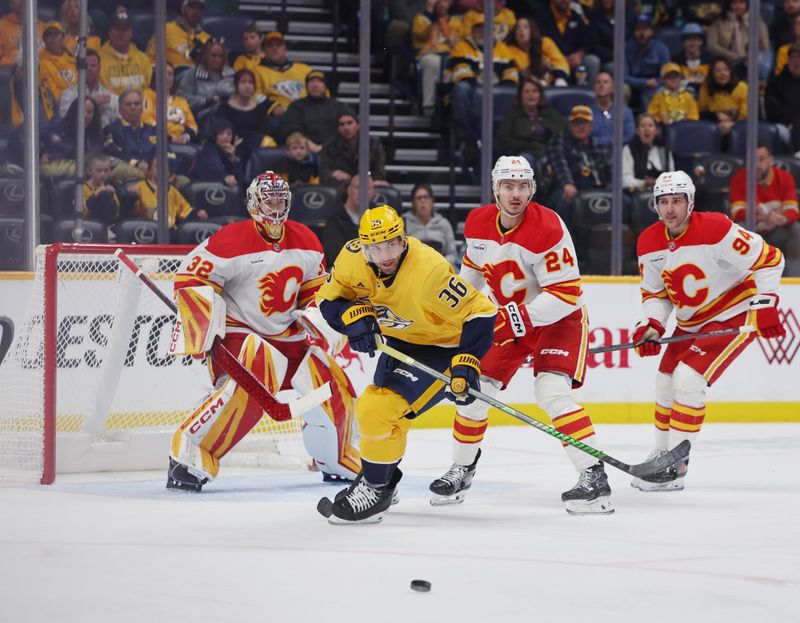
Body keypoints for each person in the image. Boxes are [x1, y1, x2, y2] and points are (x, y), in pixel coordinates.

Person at [431, 155, 613, 515]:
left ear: (532, 188)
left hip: (558, 319)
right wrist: (451, 315)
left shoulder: (549, 227)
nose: (516, 194)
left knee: (551, 392)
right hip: (510, 318)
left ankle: (594, 475)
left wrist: (517, 318)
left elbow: (566, 294)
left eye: (522, 186)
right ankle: (462, 468)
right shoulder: (477, 221)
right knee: (474, 391)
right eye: (508, 186)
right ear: (494, 189)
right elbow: (472, 273)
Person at [167, 171, 361, 491]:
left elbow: (313, 293)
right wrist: (200, 320)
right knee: (260, 368)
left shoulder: (307, 240)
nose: (275, 206)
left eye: (280, 199)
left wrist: (318, 316)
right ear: (253, 203)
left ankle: (335, 456)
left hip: (289, 340)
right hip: (240, 338)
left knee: (330, 380)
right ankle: (190, 452)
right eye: (269, 199)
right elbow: (190, 278)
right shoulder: (230, 239)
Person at [314, 204, 496, 523]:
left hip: (442, 348)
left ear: (403, 239)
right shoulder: (351, 258)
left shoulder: (428, 271)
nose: (385, 255)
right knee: (380, 412)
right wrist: (350, 317)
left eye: (391, 244)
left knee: (377, 408)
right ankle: (382, 480)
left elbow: (481, 311)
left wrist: (466, 361)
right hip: (403, 341)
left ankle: (376, 488)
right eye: (375, 247)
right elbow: (328, 300)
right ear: (363, 246)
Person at [631, 170, 785, 491]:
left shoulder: (716, 228)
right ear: (655, 205)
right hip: (690, 324)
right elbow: (656, 294)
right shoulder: (648, 241)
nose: (670, 209)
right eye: (663, 202)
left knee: (688, 380)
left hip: (731, 314)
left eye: (677, 200)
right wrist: (651, 324)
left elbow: (770, 260)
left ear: (691, 202)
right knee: (664, 383)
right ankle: (661, 454)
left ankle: (676, 465)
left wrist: (766, 303)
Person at [448, 14, 518, 162]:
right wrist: (481, 86)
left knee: (511, 93)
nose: (481, 32)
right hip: (472, 93)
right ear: (472, 30)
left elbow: (512, 74)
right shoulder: (462, 46)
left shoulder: (502, 49)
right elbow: (460, 71)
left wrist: (500, 88)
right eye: (478, 28)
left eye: (485, 28)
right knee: (462, 88)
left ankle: (506, 140)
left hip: (496, 94)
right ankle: (465, 137)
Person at [729, 144, 800, 276]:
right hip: (752, 232)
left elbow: (793, 211)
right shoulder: (739, 178)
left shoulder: (784, 177)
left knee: (796, 230)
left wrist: (782, 218)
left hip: (778, 231)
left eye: (761, 159)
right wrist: (758, 216)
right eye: (752, 160)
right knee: (736, 231)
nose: (756, 165)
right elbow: (736, 212)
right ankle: (740, 280)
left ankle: (794, 280)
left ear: (770, 160)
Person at [546, 105, 611, 229]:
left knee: (624, 200)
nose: (581, 126)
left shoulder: (597, 145)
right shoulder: (561, 140)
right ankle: (566, 243)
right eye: (576, 123)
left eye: (585, 123)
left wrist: (610, 189)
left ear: (591, 126)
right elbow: (559, 162)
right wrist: (567, 183)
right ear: (570, 126)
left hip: (597, 189)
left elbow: (610, 170)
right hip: (569, 188)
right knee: (565, 199)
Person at [496, 74, 567, 168]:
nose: (531, 95)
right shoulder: (512, 115)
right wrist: (528, 146)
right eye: (527, 91)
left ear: (540, 94)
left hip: (550, 155)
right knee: (524, 160)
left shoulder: (551, 113)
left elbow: (563, 134)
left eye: (534, 91)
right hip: (524, 155)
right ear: (520, 95)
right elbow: (503, 139)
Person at [213, 68, 278, 167]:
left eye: (251, 83)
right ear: (236, 86)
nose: (247, 86)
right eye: (243, 82)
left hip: (255, 147)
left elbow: (264, 131)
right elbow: (220, 130)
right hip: (231, 146)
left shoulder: (260, 108)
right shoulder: (224, 108)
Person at [132, 154, 205, 238]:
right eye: (157, 166)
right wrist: (130, 197)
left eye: (164, 167)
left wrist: (199, 215)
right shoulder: (140, 187)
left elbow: (186, 212)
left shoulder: (172, 190)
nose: (161, 169)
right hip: (147, 232)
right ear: (150, 169)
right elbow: (132, 212)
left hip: (170, 233)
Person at [279, 70, 351, 153]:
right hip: (306, 152)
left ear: (326, 86)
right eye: (311, 81)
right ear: (306, 86)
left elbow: (349, 127)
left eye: (319, 81)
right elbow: (291, 130)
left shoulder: (339, 106)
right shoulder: (296, 106)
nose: (315, 85)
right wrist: (312, 146)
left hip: (336, 151)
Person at [411, 0, 459, 116]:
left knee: (453, 66)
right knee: (433, 63)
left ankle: (447, 105)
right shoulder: (421, 19)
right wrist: (433, 19)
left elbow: (457, 43)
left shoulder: (455, 22)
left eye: (446, 1)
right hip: (426, 55)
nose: (442, 4)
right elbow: (420, 35)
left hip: (448, 55)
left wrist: (445, 26)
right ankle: (429, 106)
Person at [319, 111, 388, 190]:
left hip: (367, 186)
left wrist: (359, 181)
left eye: (349, 123)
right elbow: (324, 172)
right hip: (341, 189)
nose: (346, 127)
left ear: (358, 125)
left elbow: (379, 173)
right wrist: (333, 173)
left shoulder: (373, 144)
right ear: (337, 129)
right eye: (341, 124)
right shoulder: (330, 146)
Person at [321, 173, 377, 266]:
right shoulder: (334, 218)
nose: (362, 192)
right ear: (348, 189)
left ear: (373, 193)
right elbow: (333, 254)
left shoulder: (379, 217)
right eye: (358, 188)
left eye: (367, 189)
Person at [705, 0, 769, 81]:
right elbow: (711, 45)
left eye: (741, 3)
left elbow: (764, 44)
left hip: (751, 62)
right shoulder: (718, 22)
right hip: (727, 62)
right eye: (734, 3)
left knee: (763, 71)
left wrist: (750, 55)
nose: (738, 6)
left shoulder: (757, 21)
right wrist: (729, 55)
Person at [102, 89, 156, 181]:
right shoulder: (112, 129)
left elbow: (167, 152)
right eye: (128, 104)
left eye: (136, 104)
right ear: (119, 108)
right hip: (129, 177)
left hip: (157, 174)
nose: (133, 107)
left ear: (142, 107)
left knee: (184, 182)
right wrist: (136, 163)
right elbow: (113, 153)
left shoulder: (153, 130)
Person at [253, 31, 311, 114]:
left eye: (278, 45)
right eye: (270, 46)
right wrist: (272, 107)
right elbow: (255, 95)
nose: (275, 48)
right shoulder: (257, 71)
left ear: (285, 48)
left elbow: (322, 90)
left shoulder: (304, 69)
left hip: (306, 113)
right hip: (278, 116)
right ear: (264, 50)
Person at [176, 39, 236, 120]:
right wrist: (205, 101)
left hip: (229, 118)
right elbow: (181, 99)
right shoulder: (191, 75)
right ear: (206, 56)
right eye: (213, 56)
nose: (217, 59)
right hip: (200, 120)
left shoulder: (232, 75)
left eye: (220, 56)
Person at [97, 9, 153, 95]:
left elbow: (150, 90)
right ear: (109, 32)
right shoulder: (98, 60)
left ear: (131, 32)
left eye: (125, 29)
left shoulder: (143, 59)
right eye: (117, 28)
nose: (121, 33)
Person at [402, 182, 458, 267]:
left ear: (432, 201)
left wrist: (441, 264)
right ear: (413, 203)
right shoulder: (403, 223)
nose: (423, 201)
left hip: (439, 268)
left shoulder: (443, 223)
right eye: (419, 198)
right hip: (414, 268)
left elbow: (452, 254)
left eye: (426, 197)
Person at [59, 49, 118, 129]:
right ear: (77, 68)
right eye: (85, 66)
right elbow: (65, 120)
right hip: (75, 138)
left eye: (93, 65)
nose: (89, 69)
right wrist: (93, 102)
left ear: (99, 68)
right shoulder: (67, 95)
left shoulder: (112, 97)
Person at [504, 15, 569, 87]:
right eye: (518, 28)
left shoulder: (545, 43)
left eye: (525, 27)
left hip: (552, 85)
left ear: (532, 30)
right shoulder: (509, 50)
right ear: (514, 33)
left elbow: (560, 62)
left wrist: (560, 78)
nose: (521, 30)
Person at [142, 63, 198, 144]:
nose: (166, 77)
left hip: (181, 142)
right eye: (163, 73)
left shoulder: (181, 101)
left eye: (170, 74)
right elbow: (146, 118)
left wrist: (186, 136)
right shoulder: (147, 94)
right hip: (157, 141)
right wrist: (169, 137)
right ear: (155, 76)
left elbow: (192, 125)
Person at [624, 15, 671, 111]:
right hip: (632, 86)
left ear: (652, 31)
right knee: (622, 89)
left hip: (654, 86)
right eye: (638, 29)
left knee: (653, 92)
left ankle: (650, 123)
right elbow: (622, 77)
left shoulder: (661, 49)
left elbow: (667, 75)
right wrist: (645, 83)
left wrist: (656, 82)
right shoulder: (626, 48)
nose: (642, 33)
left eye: (645, 29)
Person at [147, 0, 211, 69]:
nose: (196, 12)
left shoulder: (207, 38)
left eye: (199, 9)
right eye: (192, 7)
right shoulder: (166, 30)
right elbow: (149, 59)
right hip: (171, 75)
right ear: (183, 9)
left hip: (197, 76)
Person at [622, 113, 675, 193]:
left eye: (650, 125)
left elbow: (673, 180)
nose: (647, 129)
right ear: (637, 131)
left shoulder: (665, 152)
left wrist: (659, 183)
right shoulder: (628, 149)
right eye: (643, 126)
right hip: (636, 194)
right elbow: (625, 181)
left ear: (657, 130)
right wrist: (644, 183)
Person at [698, 57, 748, 139]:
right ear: (712, 74)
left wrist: (733, 124)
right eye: (718, 71)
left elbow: (746, 114)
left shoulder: (742, 87)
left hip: (739, 128)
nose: (722, 73)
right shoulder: (706, 88)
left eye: (726, 70)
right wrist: (716, 115)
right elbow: (701, 113)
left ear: (730, 72)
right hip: (714, 129)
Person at [765, 44, 800, 154]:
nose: (797, 61)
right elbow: (772, 108)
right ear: (788, 60)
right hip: (785, 125)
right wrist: (792, 119)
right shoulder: (776, 82)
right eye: (794, 57)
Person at [38, 21, 76, 120]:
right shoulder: (41, 64)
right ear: (44, 40)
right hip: (59, 112)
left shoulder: (74, 61)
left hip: (81, 107)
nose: (52, 37)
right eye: (48, 35)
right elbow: (52, 94)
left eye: (56, 34)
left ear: (63, 38)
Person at [194, 117, 245, 190]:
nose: (225, 137)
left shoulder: (232, 152)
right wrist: (224, 177)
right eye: (221, 133)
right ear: (215, 136)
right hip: (203, 188)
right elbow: (213, 165)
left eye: (229, 134)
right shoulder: (208, 148)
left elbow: (240, 178)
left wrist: (233, 159)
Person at [589, 70, 635, 147]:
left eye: (605, 82)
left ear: (612, 88)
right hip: (592, 153)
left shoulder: (625, 112)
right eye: (598, 82)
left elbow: (629, 136)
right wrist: (611, 141)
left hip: (620, 154)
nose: (601, 85)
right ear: (594, 87)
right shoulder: (587, 112)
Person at [672, 22, 714, 97]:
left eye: (695, 39)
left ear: (701, 42)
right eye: (688, 39)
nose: (692, 43)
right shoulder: (676, 60)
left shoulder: (710, 58)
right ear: (683, 42)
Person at [82, 152, 120, 223]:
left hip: (107, 222)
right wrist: (96, 194)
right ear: (89, 171)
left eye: (106, 171)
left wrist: (112, 194)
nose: (103, 174)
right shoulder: (83, 188)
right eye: (99, 171)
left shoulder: (108, 187)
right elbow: (83, 211)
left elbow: (116, 211)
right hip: (88, 222)